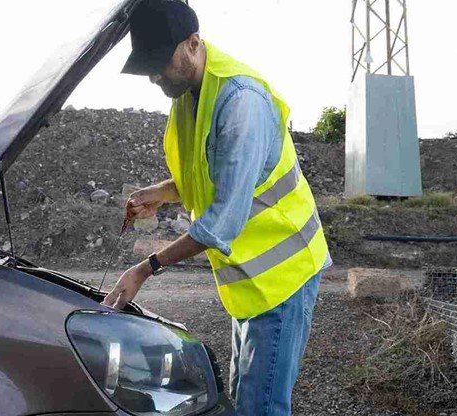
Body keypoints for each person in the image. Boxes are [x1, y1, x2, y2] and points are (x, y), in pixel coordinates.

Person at [103, 0, 332, 414]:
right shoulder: (191, 91)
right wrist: (158, 191)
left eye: (159, 62)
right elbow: (204, 173)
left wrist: (145, 268)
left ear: (193, 44)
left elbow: (220, 223)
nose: (154, 76)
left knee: (259, 407)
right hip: (251, 282)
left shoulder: (241, 102)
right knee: (243, 396)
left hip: (283, 277)